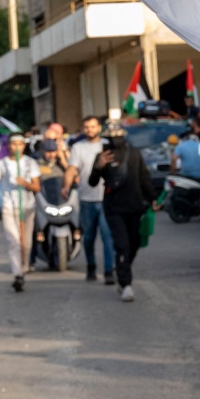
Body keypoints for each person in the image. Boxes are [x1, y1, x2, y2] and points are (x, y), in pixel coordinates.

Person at [87, 127, 154, 303]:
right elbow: (92, 182)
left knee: (134, 244)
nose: (114, 142)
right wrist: (99, 166)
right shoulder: (102, 157)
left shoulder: (134, 154)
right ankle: (125, 284)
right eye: (110, 138)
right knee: (122, 245)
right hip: (114, 209)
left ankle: (122, 267)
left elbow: (144, 178)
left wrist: (153, 198)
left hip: (135, 207)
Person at [0, 133, 42, 294]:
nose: (17, 147)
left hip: (27, 206)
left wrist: (24, 183)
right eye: (14, 144)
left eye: (20, 144)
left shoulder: (30, 163)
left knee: (26, 243)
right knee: (14, 241)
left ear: (24, 146)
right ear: (9, 146)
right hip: (9, 206)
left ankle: (23, 267)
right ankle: (17, 274)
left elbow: (37, 187)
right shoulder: (3, 163)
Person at [67, 116, 116, 283]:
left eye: (93, 126)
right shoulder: (78, 147)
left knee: (107, 236)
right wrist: (66, 186)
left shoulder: (107, 145)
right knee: (88, 237)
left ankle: (109, 270)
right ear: (83, 129)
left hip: (105, 198)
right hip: (86, 198)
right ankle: (91, 266)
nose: (90, 130)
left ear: (99, 128)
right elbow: (72, 169)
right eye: (87, 127)